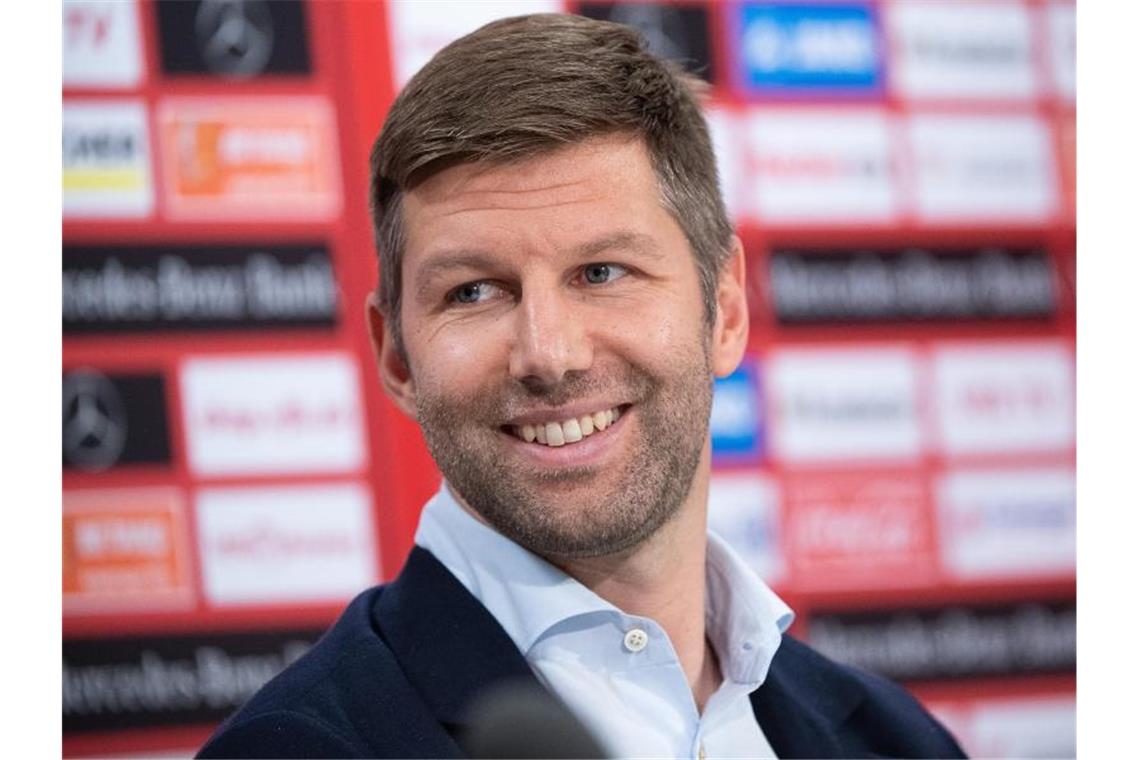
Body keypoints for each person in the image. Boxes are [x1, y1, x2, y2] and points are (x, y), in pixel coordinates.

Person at [198, 13, 966, 759]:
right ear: (396, 357)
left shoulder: (894, 739)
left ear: (725, 310)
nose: (549, 354)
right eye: (474, 291)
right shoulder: (295, 747)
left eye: (602, 273)